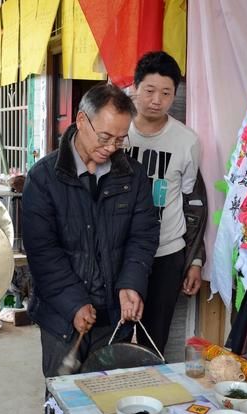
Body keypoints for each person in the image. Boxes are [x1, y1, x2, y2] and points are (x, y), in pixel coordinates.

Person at [22, 83, 160, 378]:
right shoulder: (44, 178)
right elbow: (43, 253)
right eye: (105, 137)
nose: (111, 148)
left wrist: (131, 284)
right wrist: (73, 304)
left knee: (111, 395)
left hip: (114, 317)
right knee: (63, 398)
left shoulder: (133, 176)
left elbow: (143, 236)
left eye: (120, 140)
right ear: (81, 120)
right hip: (62, 317)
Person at [127, 51, 206, 353]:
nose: (156, 100)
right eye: (149, 90)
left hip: (167, 252)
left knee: (155, 338)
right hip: (120, 251)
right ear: (134, 87)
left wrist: (195, 260)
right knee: (114, 336)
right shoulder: (119, 133)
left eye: (166, 93)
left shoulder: (187, 142)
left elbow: (192, 203)